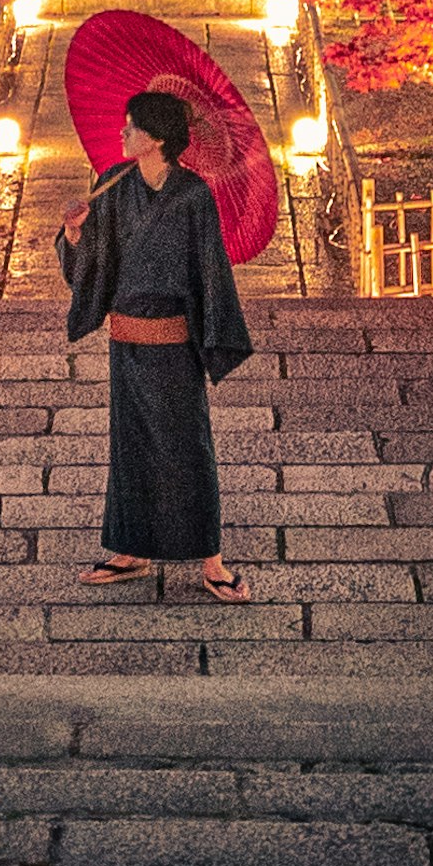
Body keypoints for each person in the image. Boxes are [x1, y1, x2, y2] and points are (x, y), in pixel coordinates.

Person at [57, 84, 255, 601]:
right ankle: (131, 549)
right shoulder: (113, 185)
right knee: (130, 446)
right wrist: (76, 233)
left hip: (173, 344)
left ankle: (212, 561)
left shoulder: (192, 196)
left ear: (157, 138)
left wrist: (215, 338)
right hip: (126, 340)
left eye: (132, 127)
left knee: (187, 447)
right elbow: (94, 263)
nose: (123, 133)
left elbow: (210, 271)